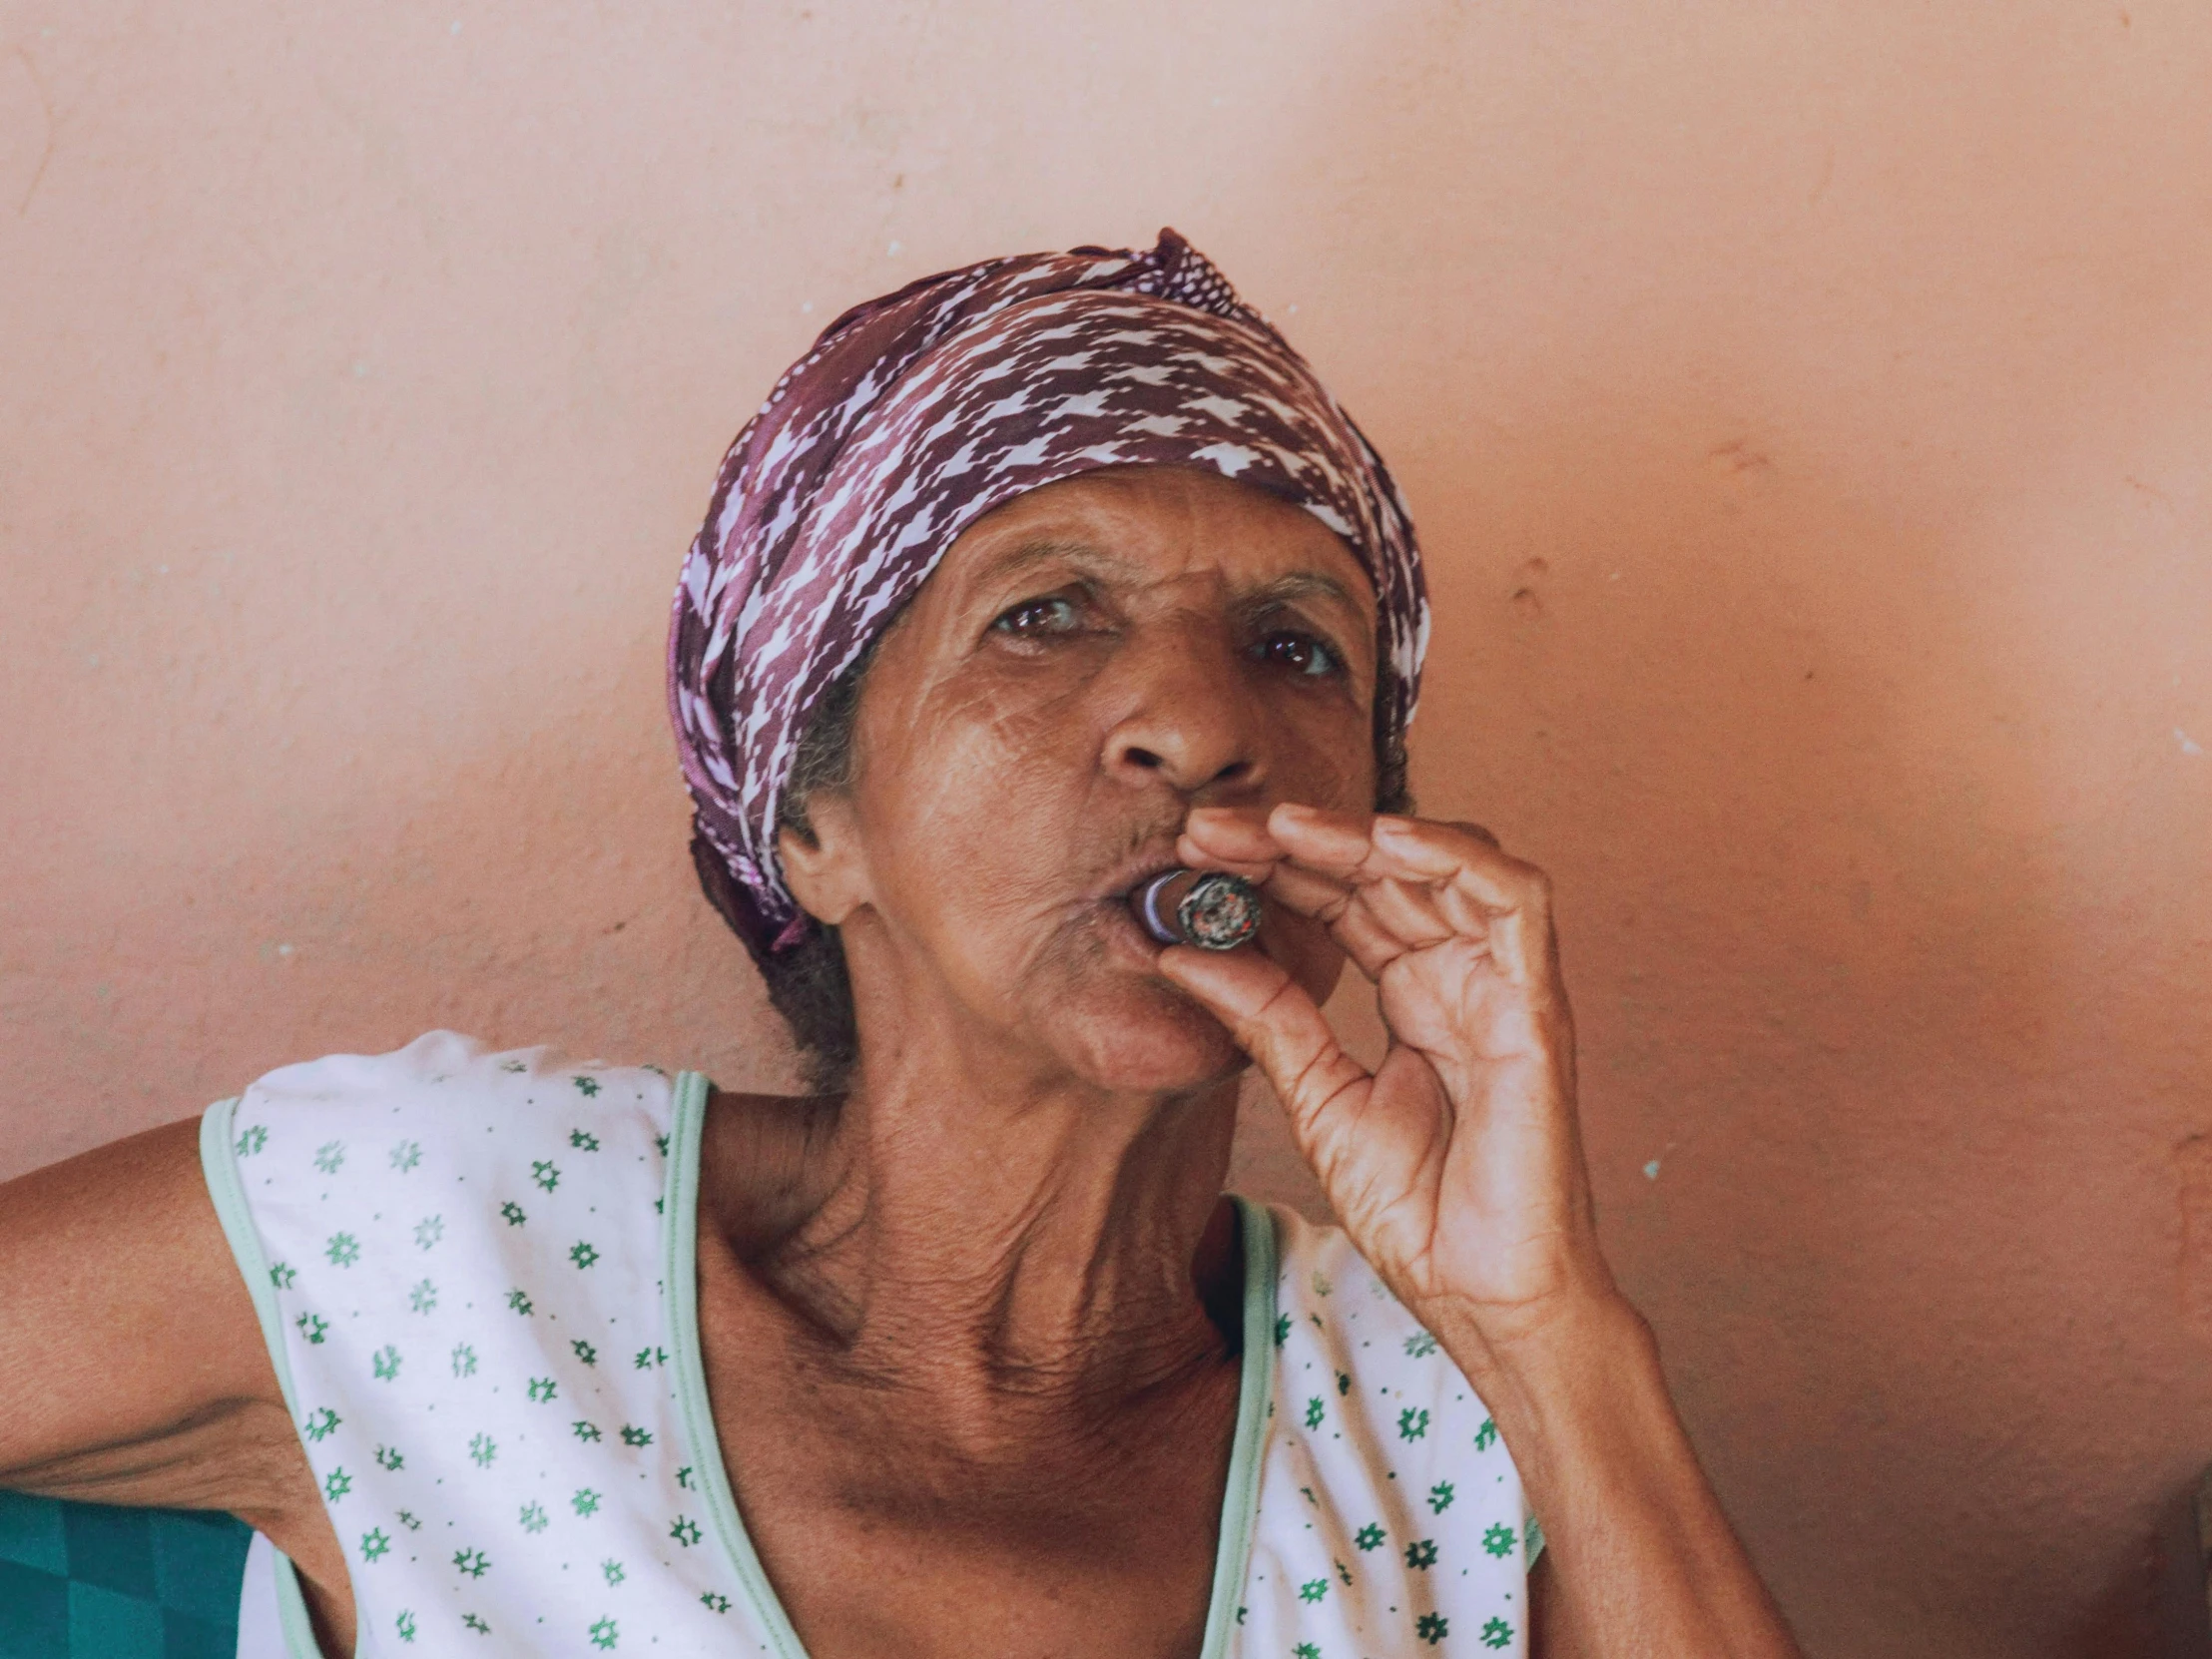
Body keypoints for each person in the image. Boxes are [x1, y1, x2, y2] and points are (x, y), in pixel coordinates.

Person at [0, 231, 1800, 1658]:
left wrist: (1547, 1329)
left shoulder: (1454, 1426)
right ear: (812, 824)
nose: (1196, 720)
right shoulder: (437, 1240)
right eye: (1048, 616)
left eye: (1297, 646)